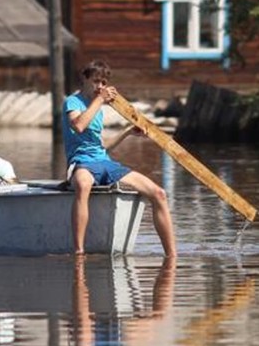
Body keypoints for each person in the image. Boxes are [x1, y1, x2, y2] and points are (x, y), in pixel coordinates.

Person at [62, 59, 176, 256]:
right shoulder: (73, 102)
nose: (100, 87)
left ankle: (172, 256)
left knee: (158, 193)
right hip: (81, 163)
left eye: (104, 83)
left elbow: (101, 146)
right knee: (82, 185)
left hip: (104, 162)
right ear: (85, 79)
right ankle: (79, 252)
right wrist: (100, 101)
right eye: (96, 81)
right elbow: (79, 126)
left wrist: (127, 132)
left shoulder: (97, 109)